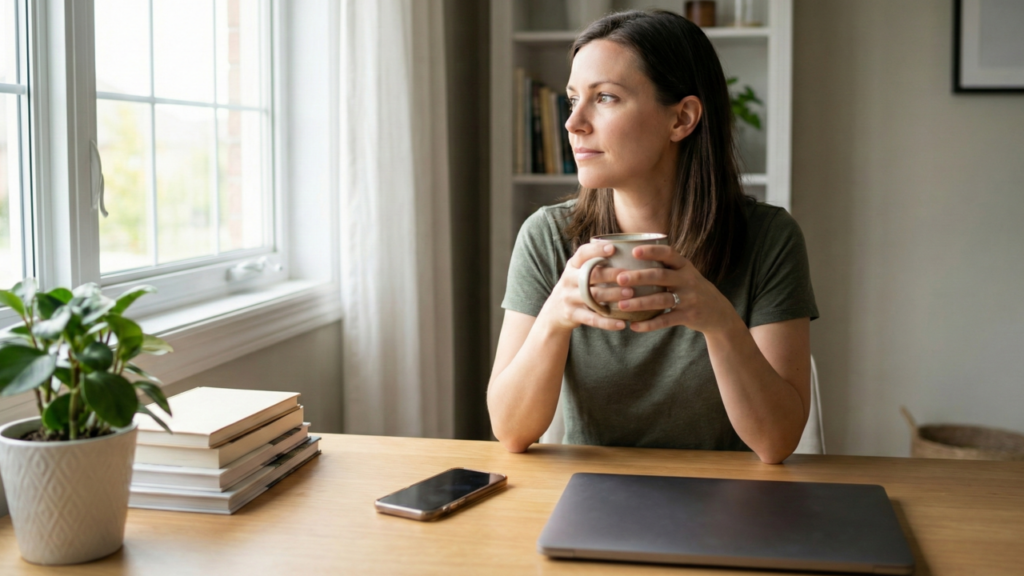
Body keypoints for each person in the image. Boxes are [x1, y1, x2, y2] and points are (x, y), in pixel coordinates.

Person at [487, 10, 818, 464]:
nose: (573, 123)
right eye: (573, 100)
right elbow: (510, 432)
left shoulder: (769, 240)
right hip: (591, 492)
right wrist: (554, 319)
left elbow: (777, 442)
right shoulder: (548, 236)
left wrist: (720, 322)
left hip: (728, 497)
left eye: (605, 97)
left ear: (682, 118)